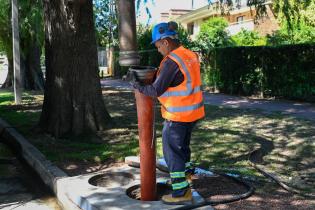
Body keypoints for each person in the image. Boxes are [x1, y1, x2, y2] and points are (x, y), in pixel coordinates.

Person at [131, 21, 205, 205]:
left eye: (157, 46)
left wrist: (136, 85)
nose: (158, 50)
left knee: (172, 152)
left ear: (165, 41)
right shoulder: (189, 55)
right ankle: (185, 179)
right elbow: (178, 80)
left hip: (177, 116)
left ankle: (181, 192)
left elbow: (156, 91)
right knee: (183, 149)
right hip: (192, 113)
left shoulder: (172, 61)